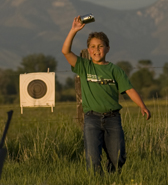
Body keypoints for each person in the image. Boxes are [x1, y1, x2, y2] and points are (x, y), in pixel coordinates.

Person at [62, 16, 151, 173]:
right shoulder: (84, 66)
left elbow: (129, 89)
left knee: (118, 156)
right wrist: (73, 31)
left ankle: (112, 179)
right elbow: (66, 51)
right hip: (92, 119)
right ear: (88, 50)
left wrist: (142, 106)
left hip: (112, 119)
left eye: (100, 46)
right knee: (92, 159)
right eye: (93, 47)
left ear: (108, 48)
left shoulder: (115, 70)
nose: (97, 50)